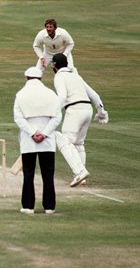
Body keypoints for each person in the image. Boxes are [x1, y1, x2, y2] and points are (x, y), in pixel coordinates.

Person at [52, 53, 108, 186]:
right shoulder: (76, 75)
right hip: (87, 110)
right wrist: (101, 112)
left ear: (54, 66)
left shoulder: (59, 76)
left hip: (74, 110)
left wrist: (53, 114)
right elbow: (94, 95)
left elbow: (62, 96)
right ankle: (82, 177)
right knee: (78, 143)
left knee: (63, 141)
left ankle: (79, 172)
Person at [14, 67, 61, 214]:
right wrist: (44, 133)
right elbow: (57, 117)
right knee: (48, 174)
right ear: (40, 79)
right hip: (47, 141)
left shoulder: (21, 94)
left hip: (29, 140)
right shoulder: (51, 94)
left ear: (27, 78)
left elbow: (18, 118)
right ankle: (49, 207)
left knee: (28, 173)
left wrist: (33, 133)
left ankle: (28, 206)